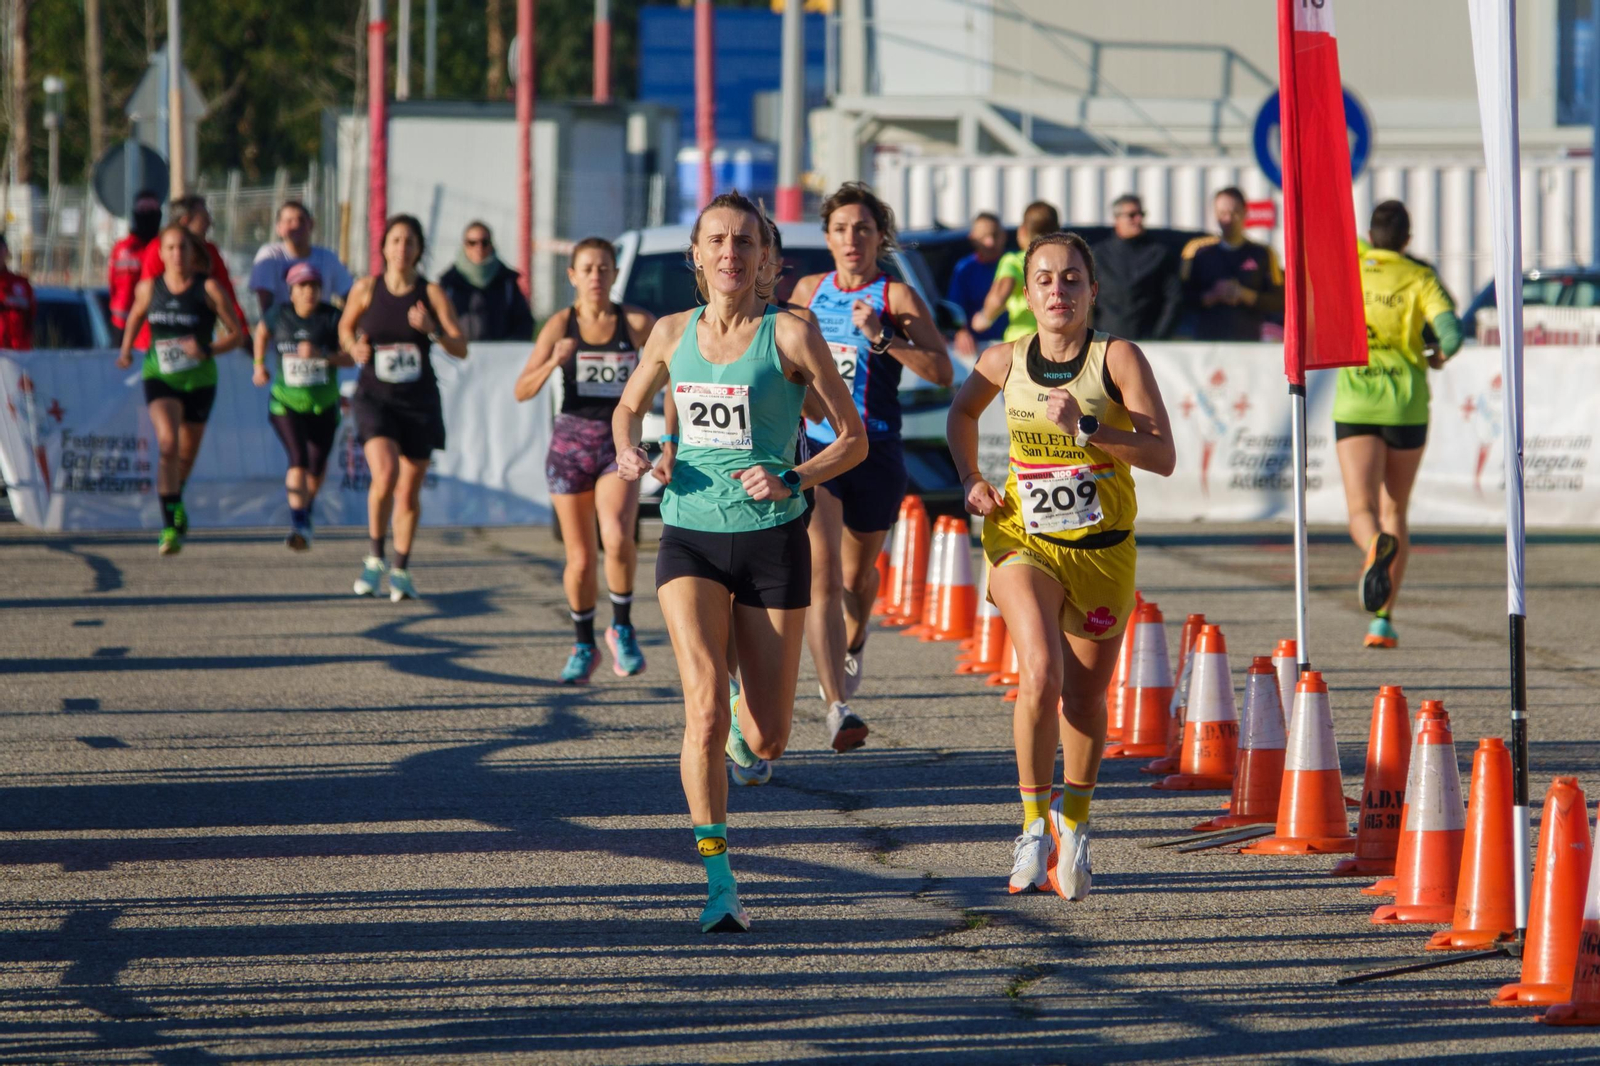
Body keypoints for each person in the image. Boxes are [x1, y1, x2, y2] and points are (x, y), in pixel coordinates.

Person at [612, 190, 867, 932]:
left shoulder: (790, 335)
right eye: (717, 241)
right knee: (697, 704)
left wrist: (793, 475)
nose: (730, 253)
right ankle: (719, 882)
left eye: (745, 243)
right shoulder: (668, 333)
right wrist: (633, 449)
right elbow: (628, 409)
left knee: (767, 738)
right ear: (696, 254)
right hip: (688, 531)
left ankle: (736, 723)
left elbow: (851, 438)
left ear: (764, 260)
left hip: (773, 538)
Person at [946, 232, 1175, 902]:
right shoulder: (1004, 359)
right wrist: (970, 478)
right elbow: (962, 412)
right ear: (1028, 292)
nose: (1057, 290)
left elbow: (1162, 455)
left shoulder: (1117, 358)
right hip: (1024, 538)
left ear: (1092, 291)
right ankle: (1029, 828)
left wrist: (1088, 431)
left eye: (1071, 279)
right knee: (1039, 672)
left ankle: (1072, 822)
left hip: (1102, 551)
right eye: (1044, 279)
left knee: (1083, 696)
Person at [789, 183, 954, 753]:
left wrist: (882, 338)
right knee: (824, 577)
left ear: (879, 236)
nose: (852, 239)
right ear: (827, 237)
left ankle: (855, 639)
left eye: (862, 229)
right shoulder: (809, 292)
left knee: (859, 581)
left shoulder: (897, 296)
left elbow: (941, 370)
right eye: (840, 229)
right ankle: (837, 706)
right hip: (819, 449)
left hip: (877, 450)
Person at [515, 237, 657, 682]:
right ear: (572, 276)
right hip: (570, 447)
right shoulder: (560, 324)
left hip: (617, 445)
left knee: (616, 536)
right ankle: (582, 643)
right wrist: (553, 361)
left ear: (615, 274)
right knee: (579, 559)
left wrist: (664, 433)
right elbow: (522, 389)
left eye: (604, 268)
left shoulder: (635, 322)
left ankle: (622, 628)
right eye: (587, 269)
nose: (596, 277)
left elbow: (674, 368)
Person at [1337, 200, 1461, 649]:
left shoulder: (1352, 260)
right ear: (1408, 239)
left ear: (1372, 235)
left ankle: (1373, 547)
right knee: (1396, 510)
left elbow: (1320, 232)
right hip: (1407, 404)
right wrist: (1439, 356)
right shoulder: (1419, 276)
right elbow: (1452, 333)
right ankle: (1383, 621)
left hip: (1356, 401)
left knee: (1361, 510)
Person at [338, 215, 469, 602]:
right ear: (383, 248)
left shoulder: (431, 293)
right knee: (385, 473)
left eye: (409, 242)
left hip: (419, 403)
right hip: (375, 399)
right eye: (395, 241)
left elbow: (461, 346)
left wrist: (432, 328)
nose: (401, 249)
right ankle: (375, 556)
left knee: (409, 491)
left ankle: (401, 568)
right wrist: (353, 346)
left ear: (419, 249)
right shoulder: (366, 289)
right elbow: (345, 329)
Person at [115, 225, 245, 555]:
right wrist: (126, 349)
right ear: (160, 254)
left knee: (185, 456)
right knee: (168, 445)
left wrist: (207, 350)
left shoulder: (209, 288)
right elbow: (135, 316)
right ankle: (169, 526)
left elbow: (236, 334)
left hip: (200, 381)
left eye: (182, 248)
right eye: (170, 248)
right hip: (161, 376)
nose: (176, 254)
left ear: (193, 254)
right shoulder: (149, 287)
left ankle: (177, 496)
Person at [252, 263, 353, 551]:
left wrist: (323, 355)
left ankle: (304, 512)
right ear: (291, 291)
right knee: (297, 459)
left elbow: (352, 357)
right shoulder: (278, 315)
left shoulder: (332, 317)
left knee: (316, 469)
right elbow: (260, 333)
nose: (308, 292)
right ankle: (298, 524)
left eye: (314, 287)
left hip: (323, 405)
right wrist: (259, 366)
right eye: (302, 286)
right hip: (286, 403)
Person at [137, 195, 249, 347]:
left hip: (196, 346)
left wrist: (243, 333)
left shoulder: (210, 251)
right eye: (204, 218)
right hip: (154, 346)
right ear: (185, 221)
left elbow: (227, 296)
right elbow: (147, 300)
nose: (210, 222)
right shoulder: (159, 248)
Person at [1180, 187, 1284, 341]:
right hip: (1205, 345)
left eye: (1234, 213)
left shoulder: (1263, 253)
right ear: (1215, 215)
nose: (1228, 219)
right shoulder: (1197, 252)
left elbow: (1279, 302)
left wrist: (1245, 294)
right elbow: (1180, 299)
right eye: (1222, 214)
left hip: (1249, 342)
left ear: (1245, 212)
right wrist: (1212, 296)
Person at [1090, 194, 1181, 340]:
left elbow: (1174, 299)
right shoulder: (1098, 255)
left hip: (1148, 342)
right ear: (1117, 219)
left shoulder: (1159, 254)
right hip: (1105, 340)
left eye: (1141, 214)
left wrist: (1159, 337)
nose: (1138, 220)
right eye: (1132, 215)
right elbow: (1087, 300)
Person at [970, 200, 1061, 344]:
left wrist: (984, 318)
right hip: (1060, 342)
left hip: (1024, 343)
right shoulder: (1068, 261)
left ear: (1023, 231)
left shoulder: (1016, 261)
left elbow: (999, 295)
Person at [248, 201, 354, 315]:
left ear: (311, 224)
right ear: (278, 228)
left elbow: (350, 296)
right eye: (289, 221)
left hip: (321, 326)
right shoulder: (270, 256)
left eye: (301, 220)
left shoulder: (328, 258)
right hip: (283, 327)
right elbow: (265, 303)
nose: (296, 225)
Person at [438, 221, 536, 342]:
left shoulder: (507, 282)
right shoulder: (448, 284)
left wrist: (509, 348)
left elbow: (524, 323)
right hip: (456, 357)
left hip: (500, 357)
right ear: (464, 246)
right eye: (472, 243)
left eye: (484, 242)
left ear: (491, 245)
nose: (479, 248)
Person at [947, 211, 1009, 356]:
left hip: (1017, 344)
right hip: (978, 351)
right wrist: (960, 332)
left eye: (995, 235)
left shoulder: (1017, 264)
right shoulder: (964, 269)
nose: (990, 242)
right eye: (984, 237)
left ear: (1004, 236)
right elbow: (954, 308)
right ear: (973, 238)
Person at [109, 190, 164, 339]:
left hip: (153, 325)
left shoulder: (165, 248)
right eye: (143, 210)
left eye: (151, 211)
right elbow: (113, 285)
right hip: (121, 324)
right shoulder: (122, 248)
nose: (147, 215)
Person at [0, 233, 35, 350]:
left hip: (17, 357)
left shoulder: (20, 284)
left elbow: (32, 317)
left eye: (1, 248)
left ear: (6, 251)